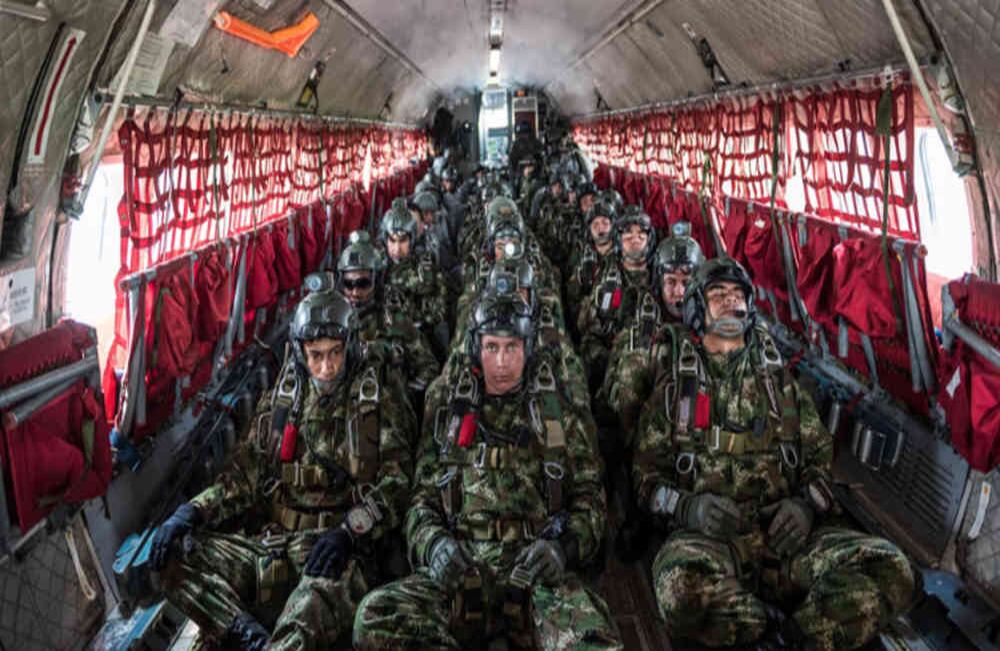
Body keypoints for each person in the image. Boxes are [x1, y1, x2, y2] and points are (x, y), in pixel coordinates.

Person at [634, 257, 915, 651]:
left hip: (788, 546)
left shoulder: (781, 386)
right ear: (697, 308)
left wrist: (805, 507)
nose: (732, 303)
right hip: (713, 546)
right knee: (679, 592)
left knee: (892, 568)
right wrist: (688, 508)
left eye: (738, 296)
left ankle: (788, 637)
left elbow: (820, 464)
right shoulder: (675, 391)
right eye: (718, 295)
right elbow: (645, 483)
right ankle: (778, 627)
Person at [353, 288, 623, 651]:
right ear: (476, 350)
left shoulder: (557, 410)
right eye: (492, 347)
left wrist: (563, 548)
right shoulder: (449, 411)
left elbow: (591, 499)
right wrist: (434, 545)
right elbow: (421, 501)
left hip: (537, 574)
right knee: (374, 616)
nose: (501, 362)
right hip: (463, 569)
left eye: (512, 348)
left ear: (528, 349)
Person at [150, 288, 415, 650]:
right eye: (315, 356)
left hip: (337, 553)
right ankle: (243, 633)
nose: (326, 367)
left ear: (350, 347)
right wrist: (193, 510)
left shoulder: (376, 398)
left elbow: (398, 483)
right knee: (171, 557)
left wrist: (350, 531)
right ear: (300, 354)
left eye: (335, 354)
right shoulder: (283, 401)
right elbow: (245, 475)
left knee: (301, 620)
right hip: (273, 545)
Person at [337, 230, 440, 397]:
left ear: (376, 281)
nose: (354, 292)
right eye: (348, 284)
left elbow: (429, 367)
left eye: (363, 283)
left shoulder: (394, 320)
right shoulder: (336, 323)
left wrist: (403, 396)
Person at [378, 202, 451, 360]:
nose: (397, 248)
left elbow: (439, 311)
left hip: (417, 339)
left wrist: (410, 318)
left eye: (403, 241)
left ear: (412, 239)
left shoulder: (424, 268)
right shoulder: (377, 268)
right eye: (392, 240)